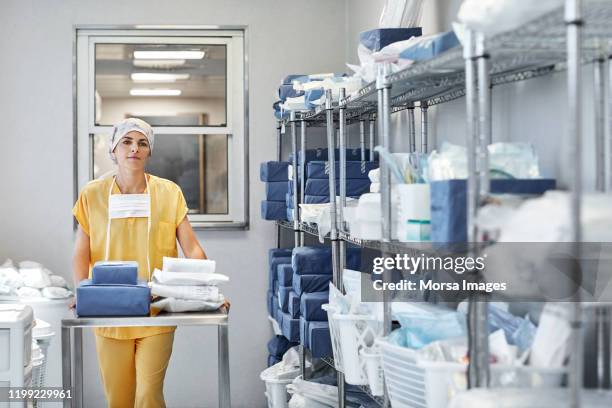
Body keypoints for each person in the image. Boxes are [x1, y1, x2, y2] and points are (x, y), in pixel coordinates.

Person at [71, 118, 217, 408]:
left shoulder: (168, 192)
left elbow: (193, 249)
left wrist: (206, 292)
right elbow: (81, 252)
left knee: (148, 396)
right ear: (113, 149)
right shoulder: (92, 194)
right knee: (119, 399)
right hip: (108, 311)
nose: (134, 149)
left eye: (142, 143)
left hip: (155, 308)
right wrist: (81, 293)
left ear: (149, 152)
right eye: (126, 141)